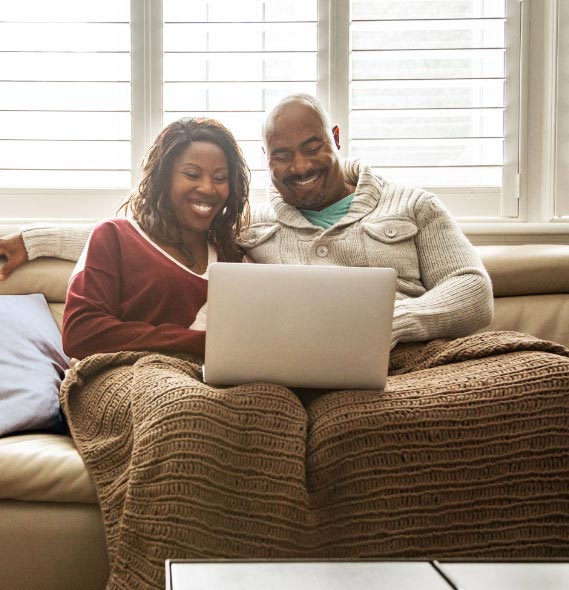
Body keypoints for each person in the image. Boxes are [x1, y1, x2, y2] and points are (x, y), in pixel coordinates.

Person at [0, 93, 492, 348]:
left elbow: (471, 288)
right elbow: (147, 235)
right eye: (282, 155)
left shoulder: (413, 205)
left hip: (417, 353)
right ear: (265, 160)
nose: (299, 167)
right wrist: (33, 240)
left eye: (313, 146)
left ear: (336, 137)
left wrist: (393, 323)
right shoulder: (251, 226)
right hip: (315, 373)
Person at [57, 117, 250, 360]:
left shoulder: (231, 256)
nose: (208, 188)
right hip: (124, 373)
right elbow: (81, 332)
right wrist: (200, 342)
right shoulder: (115, 236)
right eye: (192, 174)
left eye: (220, 178)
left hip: (212, 377)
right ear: (163, 178)